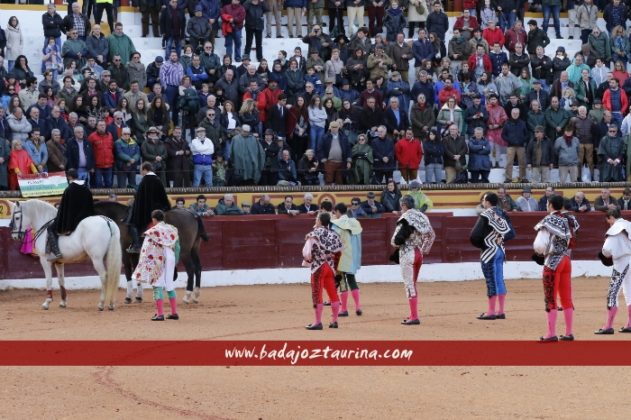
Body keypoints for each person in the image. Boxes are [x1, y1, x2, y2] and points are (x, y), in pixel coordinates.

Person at [533, 195, 575, 342]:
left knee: (550, 298)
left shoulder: (548, 220)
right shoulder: (569, 219)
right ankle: (569, 332)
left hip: (552, 262)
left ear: (550, 205)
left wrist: (539, 253)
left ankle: (551, 333)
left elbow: (539, 245)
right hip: (566, 260)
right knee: (566, 297)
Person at [390, 195, 435, 325]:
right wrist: (424, 249)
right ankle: (413, 314)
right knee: (413, 285)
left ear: (404, 205)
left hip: (407, 254)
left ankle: (414, 316)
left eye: (401, 205)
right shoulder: (422, 216)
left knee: (409, 286)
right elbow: (431, 235)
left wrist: (397, 244)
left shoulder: (405, 218)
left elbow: (394, 241)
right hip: (419, 254)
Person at [469, 191, 515, 320]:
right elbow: (511, 233)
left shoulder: (486, 214)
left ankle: (491, 312)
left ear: (488, 202)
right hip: (500, 251)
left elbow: (474, 236)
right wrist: (501, 239)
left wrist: (484, 246)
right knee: (499, 279)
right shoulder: (502, 213)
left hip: (489, 252)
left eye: (483, 200)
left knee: (491, 281)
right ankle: (500, 311)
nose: (483, 202)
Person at [132, 209, 179, 321]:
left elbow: (146, 250)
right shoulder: (172, 229)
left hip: (159, 258)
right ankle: (174, 312)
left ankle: (160, 314)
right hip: (171, 257)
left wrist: (144, 264)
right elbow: (177, 246)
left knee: (157, 285)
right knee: (169, 284)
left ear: (154, 219)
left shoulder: (152, 232)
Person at [302, 212, 343, 330]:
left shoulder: (313, 234)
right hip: (330, 267)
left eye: (316, 219)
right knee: (332, 292)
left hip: (318, 267)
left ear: (319, 221)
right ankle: (334, 321)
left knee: (317, 293)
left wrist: (309, 261)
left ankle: (317, 322)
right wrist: (336, 268)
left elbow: (306, 253)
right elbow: (338, 253)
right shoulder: (334, 235)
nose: (315, 220)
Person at [596, 207, 631, 334]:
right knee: (630, 292)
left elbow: (606, 250)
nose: (608, 223)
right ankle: (630, 324)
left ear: (611, 218)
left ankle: (609, 326)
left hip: (621, 263)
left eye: (608, 220)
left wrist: (604, 255)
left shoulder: (614, 229)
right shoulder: (629, 224)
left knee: (613, 293)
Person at [46, 169, 95, 261]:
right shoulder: (86, 188)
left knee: (50, 228)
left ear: (69, 177)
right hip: (86, 219)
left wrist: (59, 218)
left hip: (72, 221)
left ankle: (56, 252)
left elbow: (64, 209)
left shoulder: (69, 189)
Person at [128, 162, 171, 253]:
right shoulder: (157, 179)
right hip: (158, 210)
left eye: (141, 170)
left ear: (145, 169)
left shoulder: (145, 180)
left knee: (132, 223)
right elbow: (163, 197)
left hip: (146, 211)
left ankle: (136, 245)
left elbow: (140, 198)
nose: (140, 172)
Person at [331, 203, 363, 317]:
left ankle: (343, 309)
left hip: (341, 257)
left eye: (335, 213)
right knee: (352, 280)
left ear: (338, 212)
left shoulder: (336, 224)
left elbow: (334, 241)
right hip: (353, 256)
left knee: (342, 282)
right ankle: (358, 306)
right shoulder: (355, 223)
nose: (335, 215)